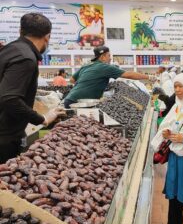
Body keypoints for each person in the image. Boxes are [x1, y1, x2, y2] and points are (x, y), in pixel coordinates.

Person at [0, 13, 65, 163]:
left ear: (20, 31)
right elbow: (9, 98)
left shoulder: (9, 50)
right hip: (4, 139)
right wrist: (42, 119)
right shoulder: (25, 57)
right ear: (47, 37)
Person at [151, 73, 183, 224]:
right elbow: (168, 123)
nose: (177, 90)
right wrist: (166, 133)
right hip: (175, 158)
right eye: (175, 86)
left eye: (181, 86)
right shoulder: (177, 106)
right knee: (174, 194)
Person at [64, 46, 154, 108]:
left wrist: (88, 84)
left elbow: (72, 80)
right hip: (81, 103)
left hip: (69, 100)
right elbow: (128, 74)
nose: (110, 58)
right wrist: (148, 77)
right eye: (108, 56)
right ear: (102, 57)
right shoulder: (105, 67)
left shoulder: (87, 65)